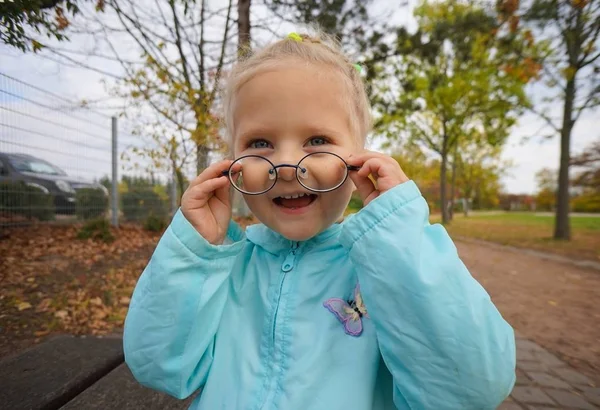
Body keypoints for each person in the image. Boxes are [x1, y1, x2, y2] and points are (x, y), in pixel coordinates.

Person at [123, 32, 516, 410]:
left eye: (317, 141)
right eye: (260, 143)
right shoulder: (223, 267)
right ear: (233, 166)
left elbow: (471, 390)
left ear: (361, 157)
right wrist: (196, 253)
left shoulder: (386, 268)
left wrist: (401, 241)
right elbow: (159, 367)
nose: (287, 166)